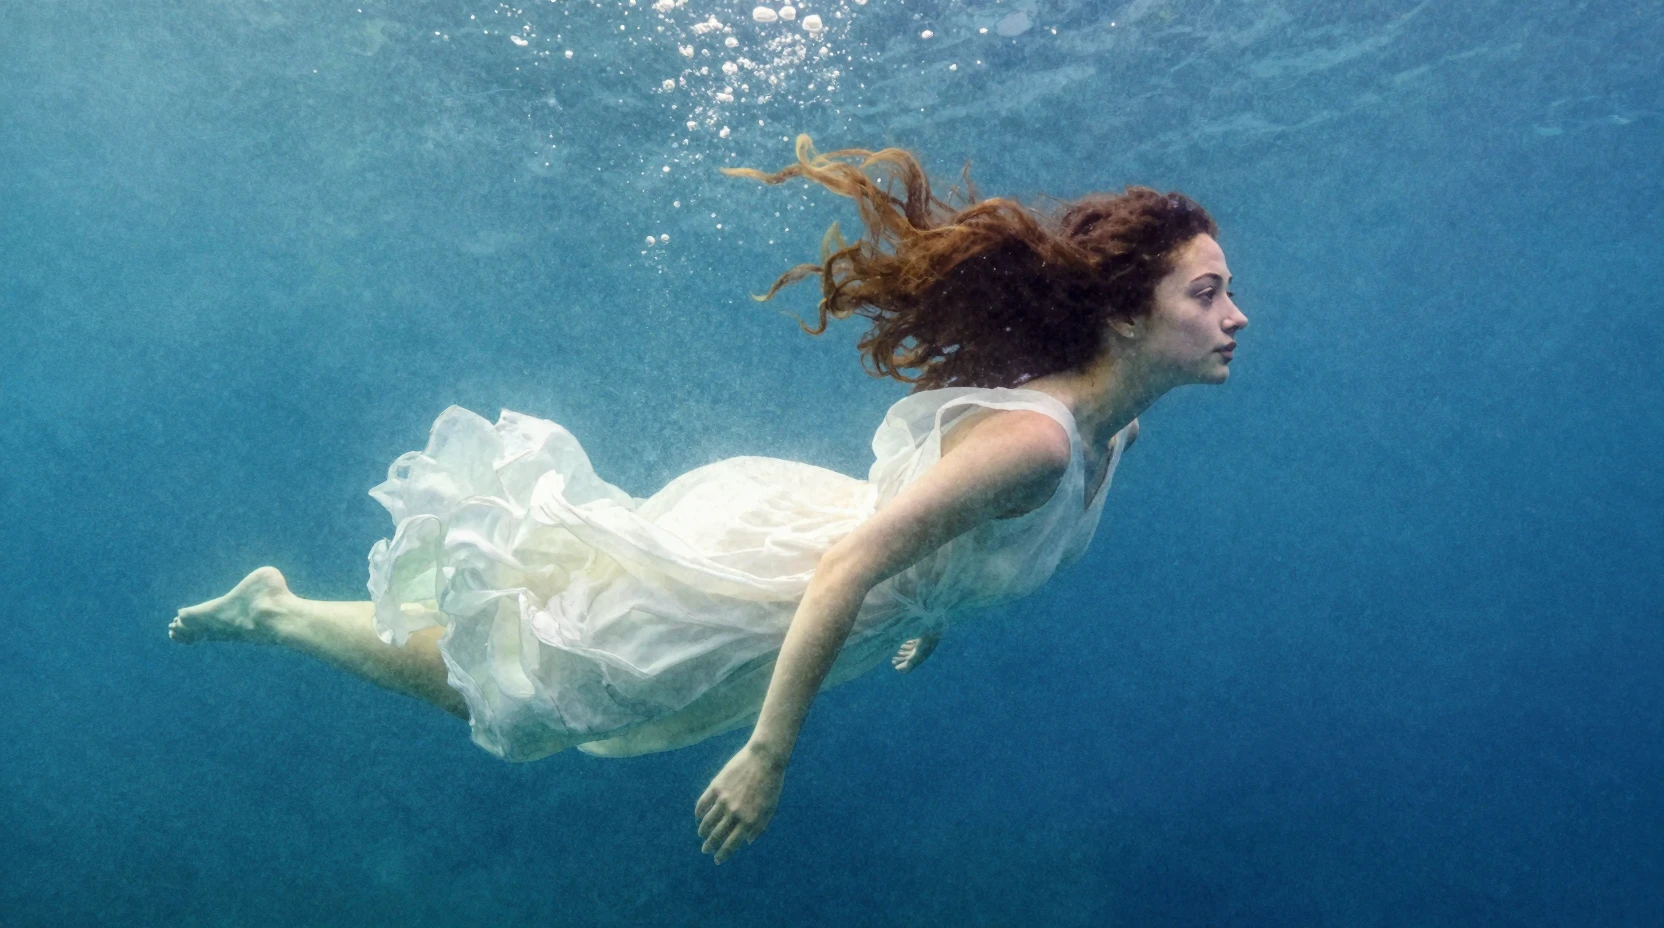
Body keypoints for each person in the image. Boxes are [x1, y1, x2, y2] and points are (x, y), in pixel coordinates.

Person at [168, 135, 1247, 865]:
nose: (1233, 315)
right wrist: (768, 755)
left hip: (841, 587)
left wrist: (936, 613)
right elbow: (854, 562)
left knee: (543, 659)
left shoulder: (1115, 429)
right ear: (1120, 317)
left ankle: (280, 611)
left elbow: (939, 539)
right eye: (1204, 293)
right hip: (786, 576)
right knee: (532, 692)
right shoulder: (1040, 446)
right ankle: (278, 610)